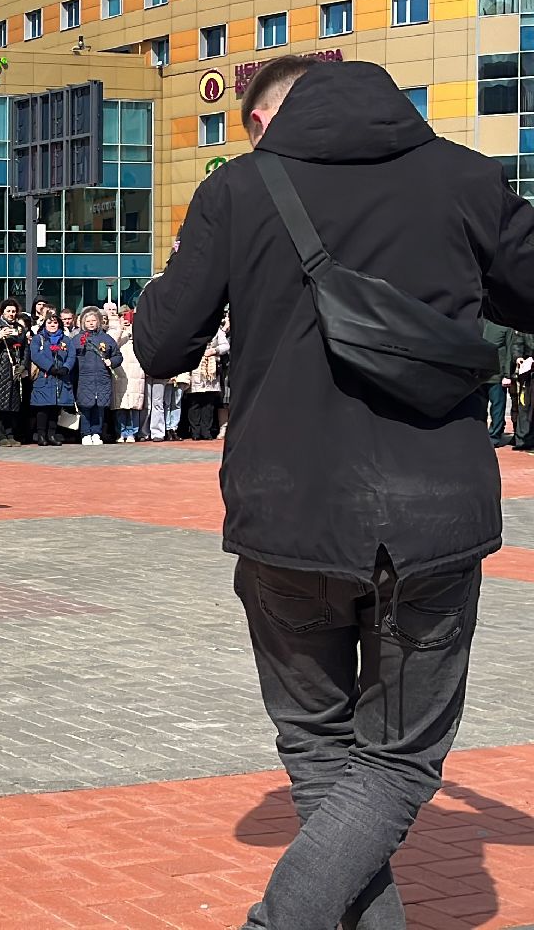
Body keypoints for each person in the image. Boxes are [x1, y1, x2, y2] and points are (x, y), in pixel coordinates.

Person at [135, 56, 534, 930]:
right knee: (395, 763)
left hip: (288, 518)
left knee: (323, 752)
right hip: (433, 521)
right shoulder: (465, 177)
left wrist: (184, 269)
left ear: (269, 117)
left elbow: (161, 348)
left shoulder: (238, 191)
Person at [70, 306, 123, 446]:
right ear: (83, 323)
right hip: (84, 378)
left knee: (100, 407)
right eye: (88, 321)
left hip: (102, 378)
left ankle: (96, 432)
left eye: (94, 320)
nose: (91, 323)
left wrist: (111, 361)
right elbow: (70, 358)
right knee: (85, 406)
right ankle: (86, 433)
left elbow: (118, 356)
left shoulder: (106, 338)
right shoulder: (77, 339)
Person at [0, 299, 31, 445]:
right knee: (0, 403)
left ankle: (11, 434)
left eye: (13, 311)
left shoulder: (19, 328)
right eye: (8, 311)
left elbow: (25, 349)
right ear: (3, 312)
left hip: (15, 368)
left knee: (14, 403)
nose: (11, 314)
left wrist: (23, 365)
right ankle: (1, 435)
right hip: (0, 367)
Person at [27, 311, 73, 445]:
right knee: (43, 408)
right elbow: (35, 355)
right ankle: (41, 435)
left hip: (60, 379)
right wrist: (50, 367)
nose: (52, 325)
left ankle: (52, 435)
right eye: (49, 322)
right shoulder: (38, 339)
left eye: (55, 322)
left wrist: (66, 367)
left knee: (55, 408)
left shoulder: (65, 339)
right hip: (44, 377)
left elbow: (71, 355)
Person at [109, 305, 146, 442]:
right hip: (120, 371)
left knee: (134, 405)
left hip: (135, 371)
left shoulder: (138, 330)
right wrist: (120, 329)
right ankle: (121, 431)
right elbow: (112, 345)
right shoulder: (114, 331)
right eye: (122, 316)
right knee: (120, 404)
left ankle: (132, 432)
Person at [483, 319, 518, 447]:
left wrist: (507, 375)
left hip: (496, 374)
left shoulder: (505, 326)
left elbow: (510, 351)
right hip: (480, 374)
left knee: (497, 407)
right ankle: (486, 434)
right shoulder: (480, 323)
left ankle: (494, 435)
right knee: (481, 407)